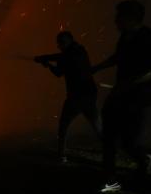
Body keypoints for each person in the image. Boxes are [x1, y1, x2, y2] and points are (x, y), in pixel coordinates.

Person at [92, 0, 151, 193]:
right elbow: (117, 57)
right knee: (109, 138)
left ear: (130, 18)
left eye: (119, 17)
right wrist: (97, 67)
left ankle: (144, 159)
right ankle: (109, 179)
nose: (115, 21)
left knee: (129, 143)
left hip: (138, 99)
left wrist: (130, 84)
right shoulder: (125, 36)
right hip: (118, 96)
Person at [34, 31, 101, 163]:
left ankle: (61, 155)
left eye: (62, 43)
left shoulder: (74, 53)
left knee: (64, 125)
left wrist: (45, 60)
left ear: (70, 41)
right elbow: (59, 68)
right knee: (97, 126)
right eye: (59, 43)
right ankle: (111, 150)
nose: (60, 45)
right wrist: (47, 62)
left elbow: (60, 66)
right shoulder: (78, 50)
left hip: (78, 96)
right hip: (87, 94)